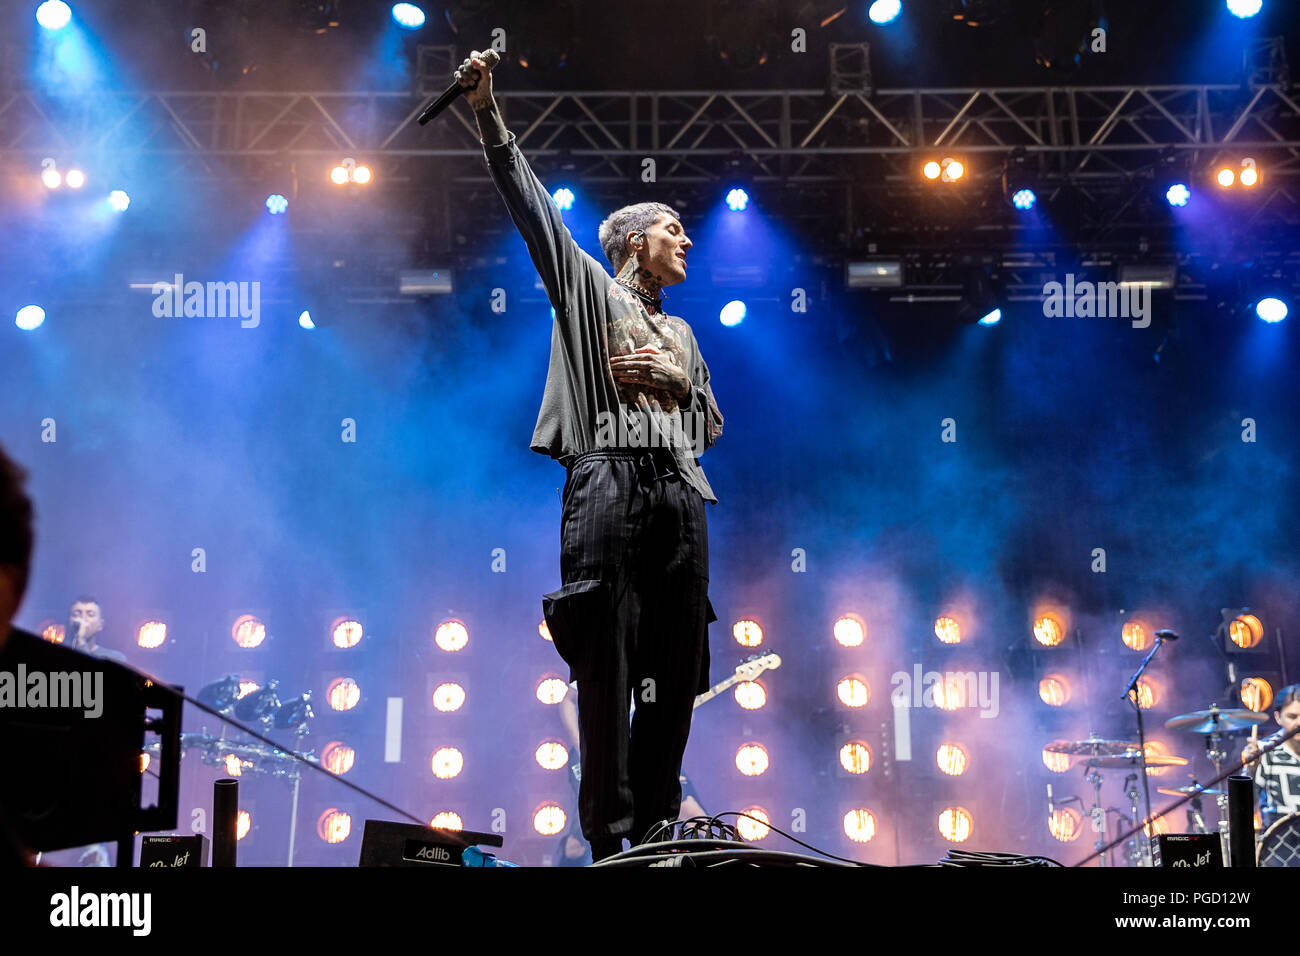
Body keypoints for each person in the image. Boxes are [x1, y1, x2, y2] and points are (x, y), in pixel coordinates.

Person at [457, 52, 723, 863]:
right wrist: (488, 114)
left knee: (676, 671)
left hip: (679, 495)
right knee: (605, 662)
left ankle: (656, 829)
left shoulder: (681, 331)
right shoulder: (586, 291)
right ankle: (611, 840)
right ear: (634, 243)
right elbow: (534, 211)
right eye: (671, 228)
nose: (685, 239)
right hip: (607, 483)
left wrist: (679, 384)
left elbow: (710, 423)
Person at [1242, 684, 1300, 826]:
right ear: (1278, 717)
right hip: (1280, 842)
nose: (1299, 722)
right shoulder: (1265, 751)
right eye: (1292, 717)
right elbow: (1244, 805)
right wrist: (1251, 769)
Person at [66, 596, 126, 663]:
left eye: (90, 615)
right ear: (69, 622)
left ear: (100, 625)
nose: (83, 619)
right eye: (76, 614)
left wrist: (81, 641)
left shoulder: (114, 658)